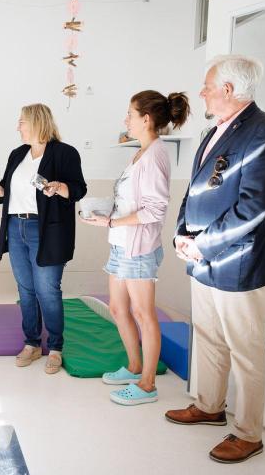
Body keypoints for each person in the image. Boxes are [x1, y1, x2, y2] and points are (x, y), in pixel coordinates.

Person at [166, 55, 265, 463]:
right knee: (209, 338)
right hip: (202, 258)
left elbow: (254, 207)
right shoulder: (212, 132)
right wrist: (182, 233)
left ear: (228, 89)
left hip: (237, 261)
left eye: (207, 86)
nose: (202, 92)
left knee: (246, 351)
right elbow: (194, 192)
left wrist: (203, 244)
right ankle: (209, 406)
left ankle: (249, 433)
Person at [81, 90, 189, 405]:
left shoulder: (155, 155)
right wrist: (105, 212)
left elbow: (155, 210)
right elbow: (131, 200)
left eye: (130, 114)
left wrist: (112, 222)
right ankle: (134, 366)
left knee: (143, 313)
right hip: (121, 244)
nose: (125, 119)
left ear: (146, 119)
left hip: (138, 248)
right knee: (118, 309)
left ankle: (147, 385)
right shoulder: (141, 153)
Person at [0, 103, 87, 374]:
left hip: (45, 230)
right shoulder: (18, 154)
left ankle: (55, 347)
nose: (17, 127)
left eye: (21, 122)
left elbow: (79, 189)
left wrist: (61, 187)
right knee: (26, 290)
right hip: (15, 226)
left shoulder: (64, 153)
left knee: (47, 290)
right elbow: (7, 189)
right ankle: (31, 343)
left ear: (36, 122)